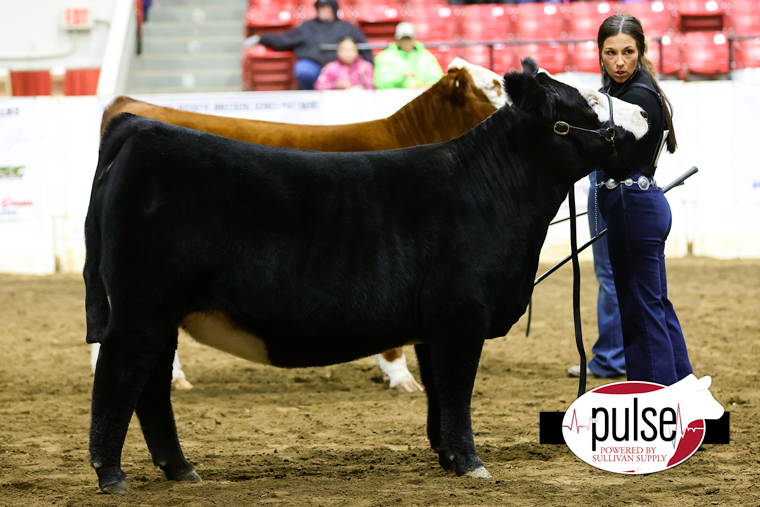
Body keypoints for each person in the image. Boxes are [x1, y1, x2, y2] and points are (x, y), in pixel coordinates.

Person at [589, 13, 693, 386]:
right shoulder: (625, 92)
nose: (619, 61)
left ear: (640, 51)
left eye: (628, 52)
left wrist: (581, 140)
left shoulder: (636, 96)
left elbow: (617, 165)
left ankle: (656, 398)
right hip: (638, 203)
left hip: (632, 203)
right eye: (611, 52)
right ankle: (683, 393)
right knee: (653, 305)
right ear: (599, 54)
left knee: (640, 309)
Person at [566, 173, 626, 380]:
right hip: (640, 185)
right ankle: (632, 354)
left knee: (609, 272)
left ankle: (611, 358)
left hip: (607, 183)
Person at [244, 0, 373, 90]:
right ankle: (310, 99)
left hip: (341, 68)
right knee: (302, 69)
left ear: (334, 8)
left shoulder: (348, 28)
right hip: (316, 67)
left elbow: (363, 48)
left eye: (327, 7)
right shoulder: (308, 27)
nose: (324, 10)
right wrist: (261, 38)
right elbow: (285, 39)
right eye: (321, 7)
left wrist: (369, 66)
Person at [373, 22, 444, 89]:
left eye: (409, 38)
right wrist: (401, 76)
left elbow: (438, 78)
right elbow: (380, 83)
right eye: (403, 38)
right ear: (397, 39)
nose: (406, 42)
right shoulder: (385, 57)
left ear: (414, 38)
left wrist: (427, 86)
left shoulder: (426, 56)